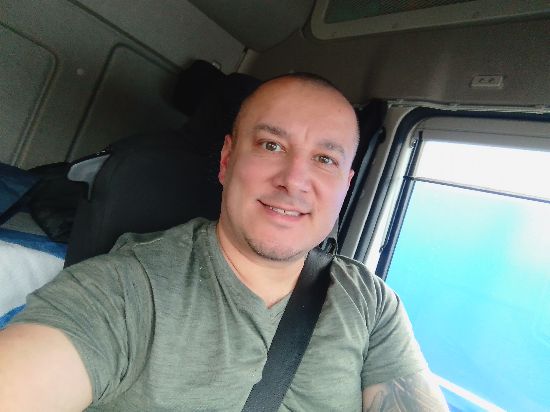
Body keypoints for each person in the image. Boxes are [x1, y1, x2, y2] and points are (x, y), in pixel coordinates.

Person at [0, 73, 449, 411]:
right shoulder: (126, 290)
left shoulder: (371, 303)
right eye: (271, 146)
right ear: (227, 160)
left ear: (345, 187)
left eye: (324, 159)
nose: (294, 180)